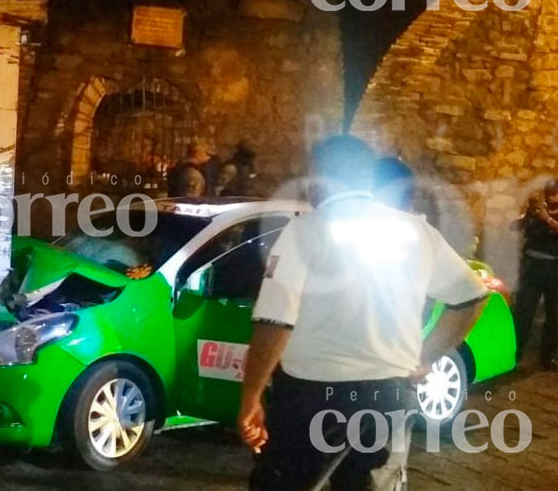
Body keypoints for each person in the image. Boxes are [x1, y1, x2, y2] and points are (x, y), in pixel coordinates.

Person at [239, 135, 488, 491]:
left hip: (310, 397)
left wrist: (251, 396)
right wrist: (424, 356)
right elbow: (470, 297)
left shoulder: (306, 231)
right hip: (388, 398)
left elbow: (275, 321)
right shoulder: (416, 231)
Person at [513, 179, 558, 370]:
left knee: (554, 314)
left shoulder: (547, 213)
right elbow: (517, 227)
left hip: (554, 268)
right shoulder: (538, 209)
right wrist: (524, 217)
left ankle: (546, 359)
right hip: (532, 266)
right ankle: (514, 354)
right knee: (523, 311)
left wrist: (545, 216)